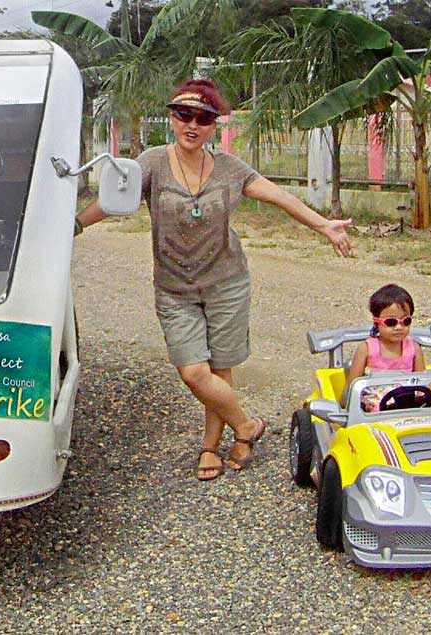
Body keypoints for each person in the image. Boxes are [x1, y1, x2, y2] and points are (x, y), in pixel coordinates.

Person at [75, 78, 352, 481]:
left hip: (226, 282)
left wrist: (323, 225)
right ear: (171, 118)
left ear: (214, 126)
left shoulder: (228, 168)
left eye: (203, 118)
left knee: (220, 369)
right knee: (193, 371)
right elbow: (111, 202)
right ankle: (246, 425)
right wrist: (76, 225)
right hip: (174, 288)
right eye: (183, 115)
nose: (192, 125)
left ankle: (211, 447)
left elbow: (280, 196)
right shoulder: (151, 163)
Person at [346, 283, 426, 412]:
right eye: (391, 322)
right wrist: (362, 401)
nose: (399, 327)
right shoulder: (367, 348)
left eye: (406, 321)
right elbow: (352, 387)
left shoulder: (414, 348)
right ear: (376, 322)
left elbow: (423, 382)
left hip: (407, 404)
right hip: (375, 406)